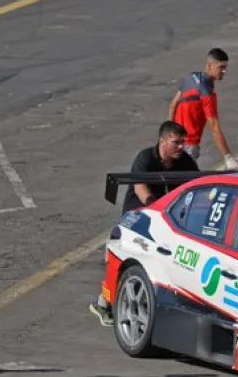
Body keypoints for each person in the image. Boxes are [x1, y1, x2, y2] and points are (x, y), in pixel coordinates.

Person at [89, 121, 199, 326]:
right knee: (129, 260)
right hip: (138, 215)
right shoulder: (145, 158)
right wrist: (154, 208)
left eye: (182, 143)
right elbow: (140, 188)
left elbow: (197, 187)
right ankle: (104, 302)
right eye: (176, 142)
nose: (181, 147)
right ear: (163, 141)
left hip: (166, 217)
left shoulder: (185, 161)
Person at [168, 48, 238, 169]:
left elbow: (173, 104)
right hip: (189, 145)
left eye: (225, 68)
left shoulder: (190, 77)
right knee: (187, 178)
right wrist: (228, 157)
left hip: (173, 140)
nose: (224, 71)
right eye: (221, 67)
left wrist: (168, 134)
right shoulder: (207, 94)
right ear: (210, 65)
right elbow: (214, 127)